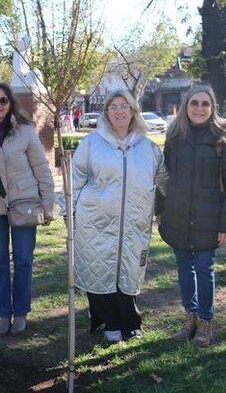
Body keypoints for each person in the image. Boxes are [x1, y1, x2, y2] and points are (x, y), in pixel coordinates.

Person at [66, 89, 166, 342]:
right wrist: (70, 213)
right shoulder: (91, 144)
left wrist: (163, 210)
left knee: (129, 270)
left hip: (134, 223)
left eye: (124, 106)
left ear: (133, 110)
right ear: (107, 113)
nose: (120, 111)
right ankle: (108, 321)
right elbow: (75, 180)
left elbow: (164, 182)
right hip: (96, 221)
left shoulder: (149, 148)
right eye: (114, 107)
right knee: (101, 270)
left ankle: (130, 321)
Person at [0, 82, 56, 336]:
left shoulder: (25, 131)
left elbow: (41, 169)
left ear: (10, 103)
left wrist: (48, 205)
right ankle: (4, 313)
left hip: (24, 204)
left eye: (3, 100)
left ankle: (21, 312)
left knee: (24, 260)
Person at [156, 85, 226, 347]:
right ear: (186, 106)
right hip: (178, 214)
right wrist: (160, 210)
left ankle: (206, 320)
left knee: (204, 268)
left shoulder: (222, 140)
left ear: (213, 108)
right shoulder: (174, 137)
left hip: (209, 217)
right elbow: (163, 178)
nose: (200, 108)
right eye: (195, 103)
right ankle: (190, 317)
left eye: (206, 104)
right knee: (184, 267)